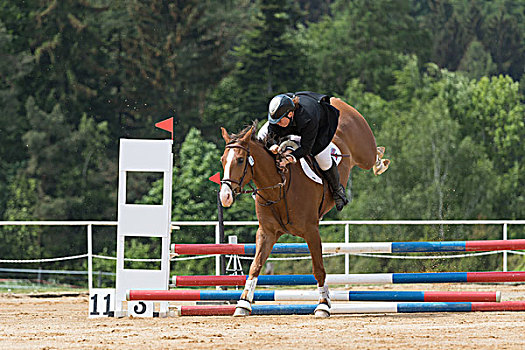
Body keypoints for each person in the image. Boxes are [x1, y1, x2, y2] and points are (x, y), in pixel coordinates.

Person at [258, 92, 349, 211]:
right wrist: (272, 145)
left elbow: (306, 148)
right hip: (294, 124)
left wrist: (288, 159)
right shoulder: (279, 119)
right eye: (276, 122)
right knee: (260, 136)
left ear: (290, 114)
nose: (277, 124)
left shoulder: (308, 118)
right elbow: (271, 135)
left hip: (318, 127)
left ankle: (337, 190)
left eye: (279, 121)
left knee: (322, 159)